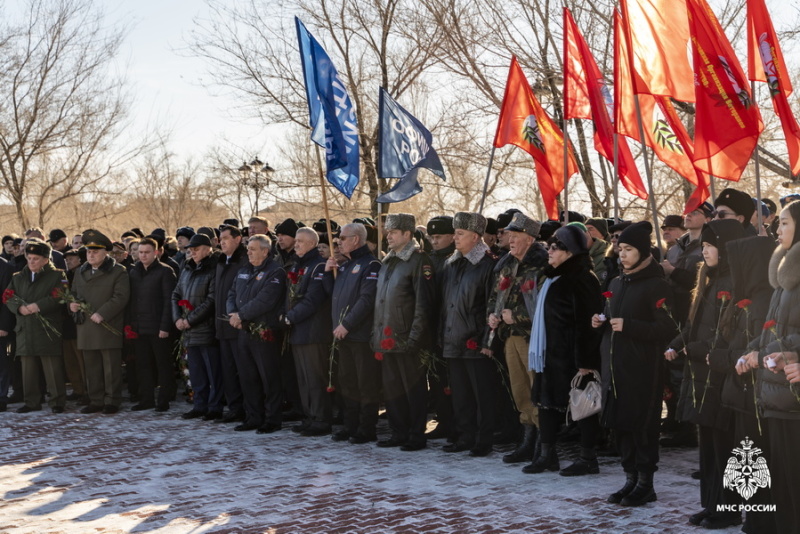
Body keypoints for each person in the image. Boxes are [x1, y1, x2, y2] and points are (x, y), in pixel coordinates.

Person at [665, 219, 745, 529]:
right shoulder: (707, 277)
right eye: (704, 245)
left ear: (725, 248)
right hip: (701, 372)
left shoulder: (734, 282)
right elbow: (694, 323)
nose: (704, 251)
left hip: (721, 374)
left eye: (710, 246)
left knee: (724, 446)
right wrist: (677, 344)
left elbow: (727, 334)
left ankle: (727, 508)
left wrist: (695, 349)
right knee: (708, 445)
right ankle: (711, 504)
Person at [593, 222, 674, 506]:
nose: (622, 254)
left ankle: (645, 483)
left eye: (629, 250)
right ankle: (629, 479)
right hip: (614, 367)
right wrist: (600, 322)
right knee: (620, 425)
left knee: (642, 426)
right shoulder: (616, 282)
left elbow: (666, 328)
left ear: (643, 252)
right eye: (620, 249)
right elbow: (610, 316)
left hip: (643, 369)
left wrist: (629, 326)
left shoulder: (657, 284)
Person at [708, 234, 776, 534]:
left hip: (753, 395)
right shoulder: (746, 296)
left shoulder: (760, 301)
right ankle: (754, 518)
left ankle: (760, 521)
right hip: (741, 394)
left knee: (756, 464)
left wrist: (718, 357)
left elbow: (752, 351)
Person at [742, 200, 800, 533]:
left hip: (793, 397)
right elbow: (772, 328)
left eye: (786, 224)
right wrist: (752, 352)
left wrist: (789, 355)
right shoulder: (783, 275)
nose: (777, 229)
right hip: (776, 394)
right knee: (783, 481)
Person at [527, 225, 603, 476]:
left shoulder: (582, 278)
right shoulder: (553, 277)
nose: (549, 250)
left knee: (584, 406)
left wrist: (585, 360)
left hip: (573, 355)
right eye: (549, 245)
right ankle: (547, 455)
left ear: (570, 251)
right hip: (550, 354)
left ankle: (588, 458)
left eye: (555, 247)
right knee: (546, 404)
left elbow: (588, 322)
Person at [486, 212, 548, 465]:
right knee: (520, 390)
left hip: (533, 338)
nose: (509, 239)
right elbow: (495, 295)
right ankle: (527, 439)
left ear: (530, 239)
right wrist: (493, 314)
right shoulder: (506, 263)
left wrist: (517, 316)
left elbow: (545, 305)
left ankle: (542, 445)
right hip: (510, 336)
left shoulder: (542, 266)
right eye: (509, 235)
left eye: (516, 235)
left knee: (536, 391)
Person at [372, 213, 435, 451]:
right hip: (387, 338)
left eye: (393, 232)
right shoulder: (389, 261)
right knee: (392, 389)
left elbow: (423, 304)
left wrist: (414, 337)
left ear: (407, 234)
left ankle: (416, 435)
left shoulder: (419, 260)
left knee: (413, 390)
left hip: (407, 338)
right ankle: (398, 432)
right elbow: (380, 302)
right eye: (387, 232)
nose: (388, 236)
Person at [440, 212, 497, 457]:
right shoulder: (452, 263)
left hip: (475, 341)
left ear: (475, 237)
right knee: (461, 394)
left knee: (483, 395)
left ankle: (483, 440)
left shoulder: (489, 264)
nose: (455, 238)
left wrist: (486, 340)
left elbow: (491, 305)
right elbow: (446, 304)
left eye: (460, 234)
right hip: (454, 339)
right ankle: (465, 436)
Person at [325, 222, 381, 443]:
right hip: (343, 335)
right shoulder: (346, 265)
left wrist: (347, 324)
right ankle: (351, 425)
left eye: (343, 237)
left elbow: (366, 300)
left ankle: (366, 428)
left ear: (356, 239)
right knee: (347, 382)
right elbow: (334, 297)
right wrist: (328, 273)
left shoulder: (371, 264)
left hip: (359, 335)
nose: (339, 241)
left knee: (365, 383)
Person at [227, 234, 286, 434]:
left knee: (268, 377)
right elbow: (232, 293)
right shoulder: (244, 270)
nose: (248, 252)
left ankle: (272, 419)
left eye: (253, 249)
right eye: (248, 248)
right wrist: (232, 313)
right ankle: (253, 417)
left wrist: (241, 315)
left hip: (264, 332)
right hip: (244, 330)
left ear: (265, 251)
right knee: (247, 377)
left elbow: (265, 300)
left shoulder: (275, 272)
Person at [70, 229, 130, 414]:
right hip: (86, 326)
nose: (91, 254)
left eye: (96, 251)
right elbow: (74, 292)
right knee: (92, 366)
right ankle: (96, 400)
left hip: (107, 325)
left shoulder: (118, 271)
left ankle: (112, 400)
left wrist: (102, 313)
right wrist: (72, 304)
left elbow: (120, 297)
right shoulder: (81, 271)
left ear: (106, 252)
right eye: (89, 251)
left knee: (111, 366)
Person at [7, 239, 69, 413]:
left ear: (45, 259)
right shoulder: (18, 277)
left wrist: (38, 306)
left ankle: (57, 402)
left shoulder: (58, 275)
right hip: (25, 328)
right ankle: (31, 401)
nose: (31, 261)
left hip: (47, 329)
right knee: (28, 369)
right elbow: (8, 296)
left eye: (36, 258)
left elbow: (60, 295)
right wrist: (18, 308)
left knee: (52, 369)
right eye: (29, 257)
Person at [282, 227, 333, 436]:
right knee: (303, 379)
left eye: (300, 242)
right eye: (296, 242)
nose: (296, 245)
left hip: (314, 331)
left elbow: (313, 300)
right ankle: (309, 416)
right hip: (298, 331)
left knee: (314, 378)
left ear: (312, 244)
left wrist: (289, 317)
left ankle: (321, 419)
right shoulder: (299, 265)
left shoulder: (318, 266)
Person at [172, 233, 223, 420]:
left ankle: (214, 406)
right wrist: (177, 318)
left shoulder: (214, 268)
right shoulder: (186, 269)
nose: (192, 253)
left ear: (208, 248)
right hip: (189, 331)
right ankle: (199, 405)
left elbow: (211, 300)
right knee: (196, 372)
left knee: (212, 372)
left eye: (196, 249)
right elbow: (175, 295)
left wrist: (189, 320)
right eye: (190, 250)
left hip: (206, 329)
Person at [127, 237, 177, 412]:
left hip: (158, 327)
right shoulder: (134, 272)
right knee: (143, 365)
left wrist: (165, 327)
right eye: (140, 252)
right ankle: (146, 399)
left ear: (156, 252)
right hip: (139, 327)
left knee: (162, 364)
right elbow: (132, 301)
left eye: (147, 252)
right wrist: (131, 326)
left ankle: (164, 399)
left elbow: (168, 301)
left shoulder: (165, 272)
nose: (143, 256)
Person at [424, 215, 456, 441]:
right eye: (431, 237)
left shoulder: (455, 260)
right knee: (435, 380)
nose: (434, 241)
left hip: (450, 328)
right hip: (430, 328)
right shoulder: (427, 259)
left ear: (452, 236)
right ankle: (443, 420)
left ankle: (456, 422)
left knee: (451, 382)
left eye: (439, 236)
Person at [214, 225, 248, 423]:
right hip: (221, 325)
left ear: (237, 239)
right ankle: (234, 407)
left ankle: (245, 408)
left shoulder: (243, 261)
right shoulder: (221, 261)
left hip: (237, 324)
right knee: (227, 370)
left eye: (226, 238)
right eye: (220, 238)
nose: (222, 242)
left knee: (242, 369)